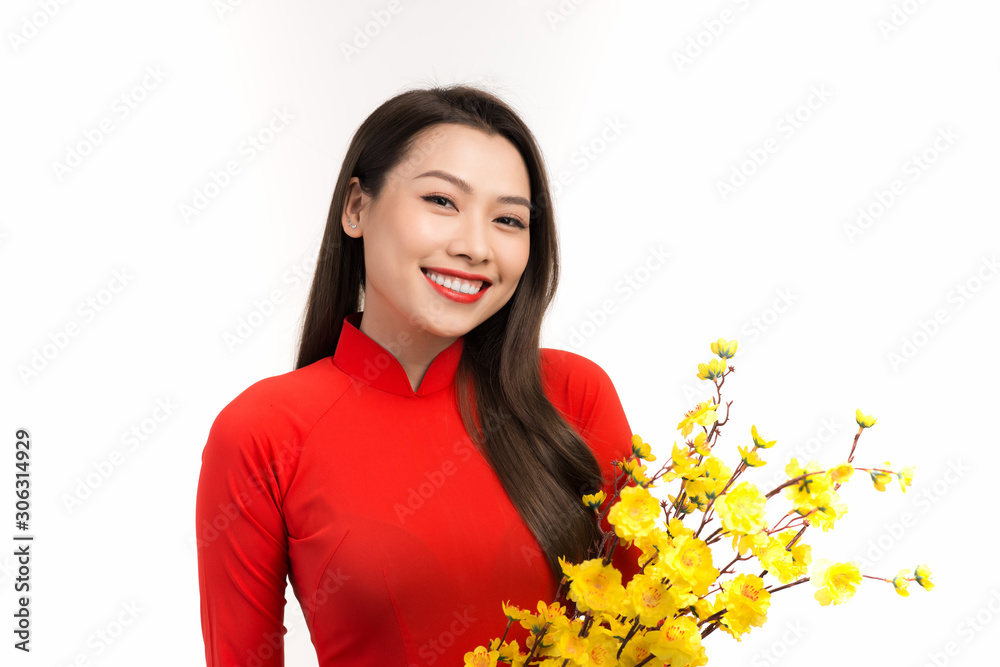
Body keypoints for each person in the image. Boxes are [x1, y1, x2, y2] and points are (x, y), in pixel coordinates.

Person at [195, 84, 643, 666]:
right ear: (356, 208)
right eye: (441, 202)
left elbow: (650, 636)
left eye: (509, 219)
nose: (476, 246)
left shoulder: (572, 394)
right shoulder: (263, 432)